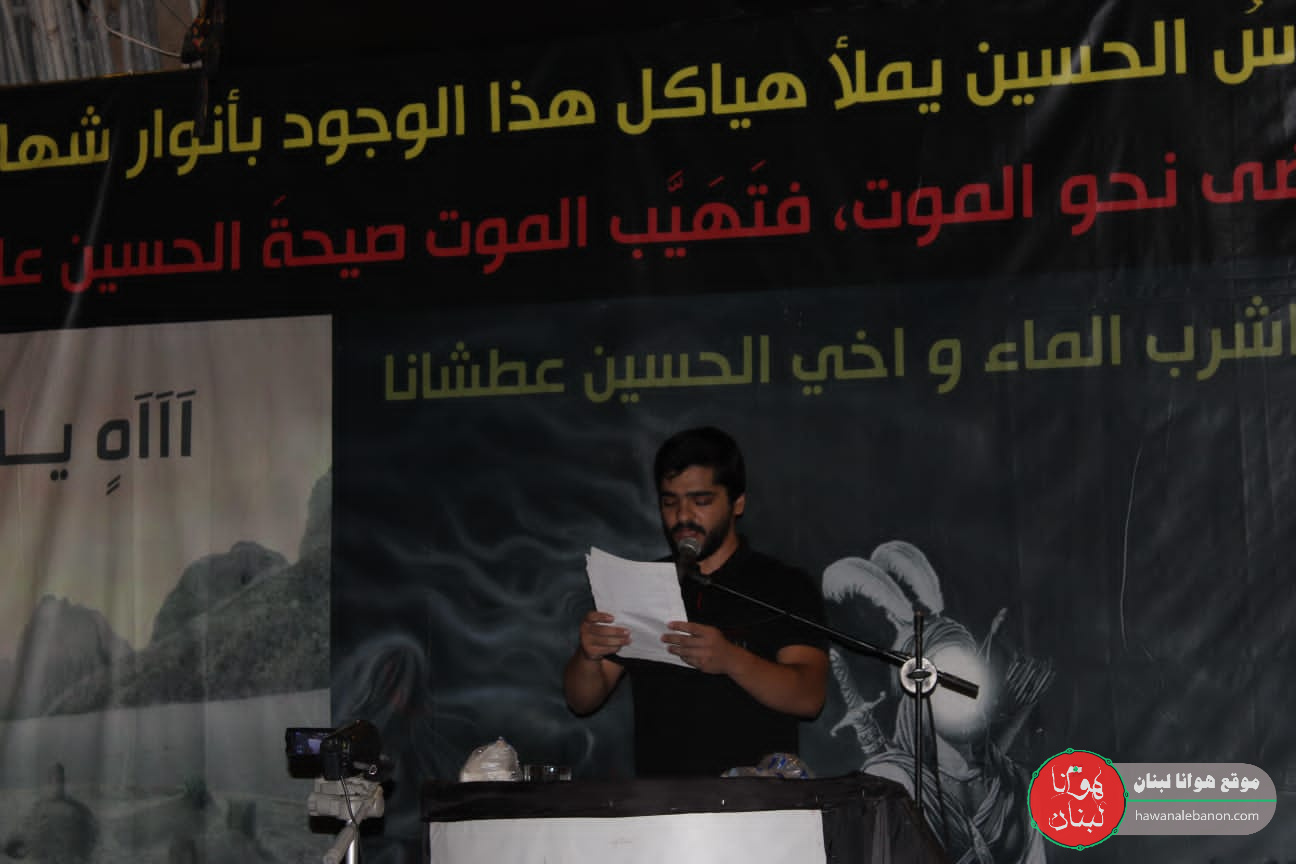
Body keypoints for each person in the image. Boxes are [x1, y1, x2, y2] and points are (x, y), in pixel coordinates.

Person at [563, 426, 829, 776]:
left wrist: (730, 659)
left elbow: (809, 697)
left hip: (758, 800)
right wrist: (588, 656)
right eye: (670, 502)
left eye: (701, 501)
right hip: (660, 801)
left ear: (737, 503)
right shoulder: (643, 584)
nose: (683, 516)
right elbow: (582, 700)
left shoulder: (783, 585)